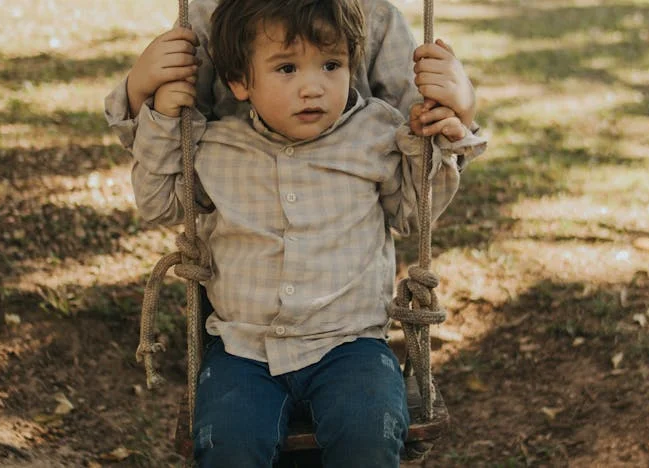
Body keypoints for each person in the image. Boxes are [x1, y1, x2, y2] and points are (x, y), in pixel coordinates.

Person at [114, 0, 487, 466]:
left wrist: (450, 129)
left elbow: (415, 211)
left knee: (369, 437)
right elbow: (158, 203)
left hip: (351, 345)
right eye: (287, 68)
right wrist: (163, 120)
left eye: (331, 65)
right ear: (238, 83)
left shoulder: (377, 134)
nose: (312, 87)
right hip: (243, 348)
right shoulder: (215, 147)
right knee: (227, 445)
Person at [104, 0, 479, 149]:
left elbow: (419, 134)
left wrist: (458, 109)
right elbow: (175, 134)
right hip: (238, 250)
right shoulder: (209, 12)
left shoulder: (374, 15)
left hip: (343, 247)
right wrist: (140, 93)